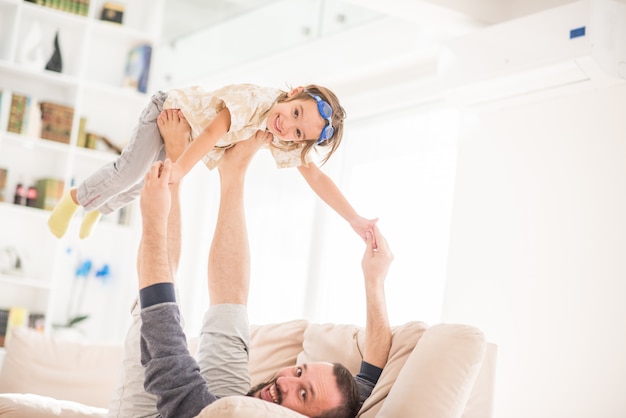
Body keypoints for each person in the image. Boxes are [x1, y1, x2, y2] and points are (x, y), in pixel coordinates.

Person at [108, 117, 393, 418]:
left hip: (168, 409)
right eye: (298, 373)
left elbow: (167, 353)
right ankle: (233, 171)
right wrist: (375, 280)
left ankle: (177, 163)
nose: (284, 382)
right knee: (229, 324)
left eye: (303, 394)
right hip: (231, 404)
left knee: (149, 324)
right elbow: (373, 370)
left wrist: (154, 218)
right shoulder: (336, 404)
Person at [47, 83, 377, 240]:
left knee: (142, 182)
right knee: (128, 172)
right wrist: (179, 171)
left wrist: (354, 218)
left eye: (297, 133)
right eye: (295, 113)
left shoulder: (280, 134)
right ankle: (75, 198)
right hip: (169, 111)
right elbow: (211, 134)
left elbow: (317, 178)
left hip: (185, 137)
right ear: (295, 93)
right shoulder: (254, 102)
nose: (286, 127)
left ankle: (99, 208)